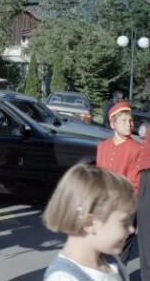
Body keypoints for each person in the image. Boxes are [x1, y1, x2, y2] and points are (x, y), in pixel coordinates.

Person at [42, 164, 136, 281]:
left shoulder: (111, 262)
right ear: (90, 224)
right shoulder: (64, 278)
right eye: (124, 221)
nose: (131, 229)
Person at [97, 101, 150, 280]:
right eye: (124, 121)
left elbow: (135, 182)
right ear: (113, 124)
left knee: (120, 252)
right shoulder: (102, 147)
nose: (129, 124)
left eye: (131, 121)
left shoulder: (137, 148)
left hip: (125, 206)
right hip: (105, 205)